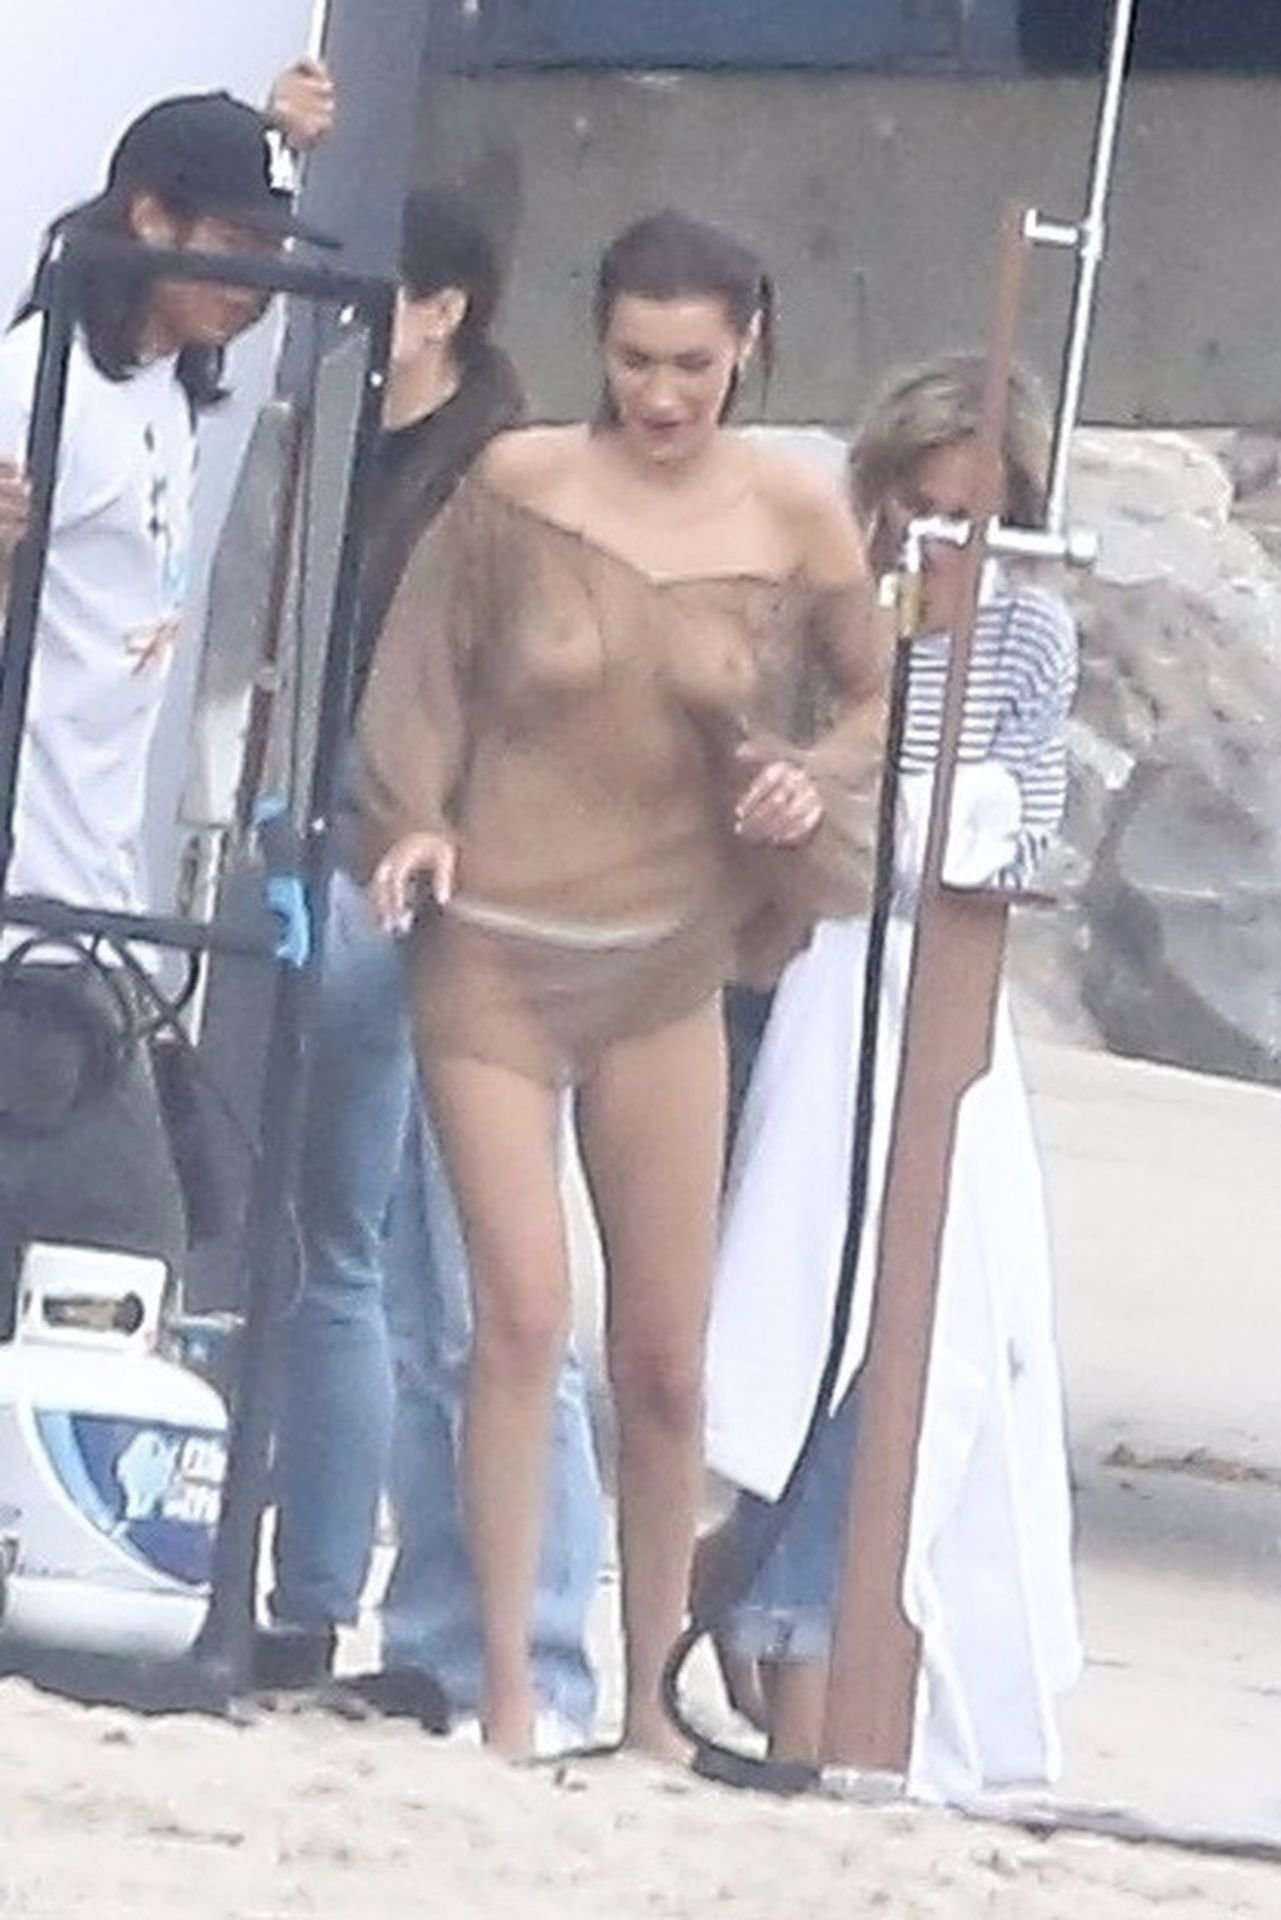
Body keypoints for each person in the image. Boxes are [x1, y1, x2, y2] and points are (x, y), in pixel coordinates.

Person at [356, 209, 886, 1758]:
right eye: (637, 360)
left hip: (667, 960)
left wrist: (804, 780)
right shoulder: (519, 484)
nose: (661, 396)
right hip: (494, 949)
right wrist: (412, 822)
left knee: (663, 1361)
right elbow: (420, 676)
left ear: (747, 350)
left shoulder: (794, 513)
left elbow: (878, 700)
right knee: (518, 1315)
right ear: (597, 342)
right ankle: (511, 1696)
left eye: (693, 367)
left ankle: (651, 1704)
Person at [702, 352, 1083, 1791]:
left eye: (976, 519)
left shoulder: (1027, 636)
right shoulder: (827, 618)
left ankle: (812, 1675)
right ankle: (746, 1608)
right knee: (778, 1322)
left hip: (924, 1006)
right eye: (921, 512)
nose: (946, 547)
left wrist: (873, 809)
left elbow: (1015, 821)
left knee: (894, 1331)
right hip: (780, 986)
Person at [263, 188, 603, 1743]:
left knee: (479, 1283)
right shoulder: (349, 443)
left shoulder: (499, 471)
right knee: (389, 1266)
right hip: (349, 853)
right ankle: (431, 1631)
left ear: (443, 305)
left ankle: (527, 1643)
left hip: (461, 884)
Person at [0, 70, 335, 1342]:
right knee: (118, 1277)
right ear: (148, 218)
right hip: (34, 928)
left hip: (98, 920)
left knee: (112, 1282)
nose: (261, 284)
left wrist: (274, 133)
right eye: (237, 246)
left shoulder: (164, 387)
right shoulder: (36, 387)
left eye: (275, 252)